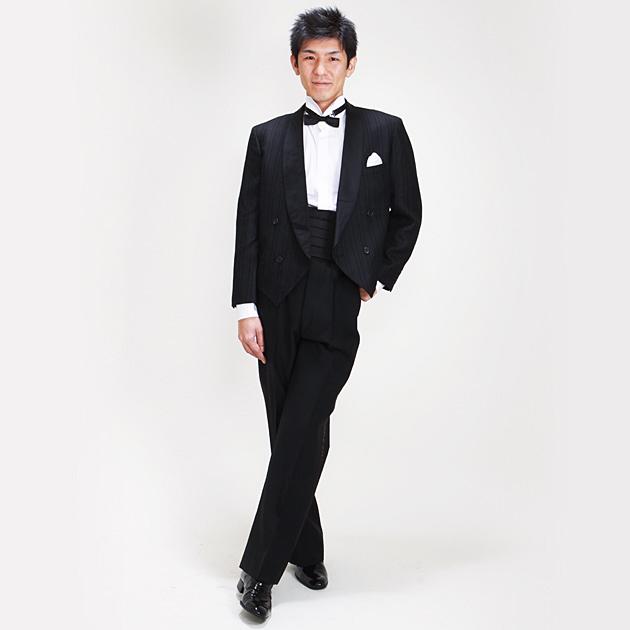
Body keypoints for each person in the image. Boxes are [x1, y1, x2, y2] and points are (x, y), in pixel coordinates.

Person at [231, 6, 422, 620]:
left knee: (303, 423)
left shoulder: (385, 131)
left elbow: (408, 213)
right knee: (290, 429)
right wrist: (246, 306)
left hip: (338, 292)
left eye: (332, 58)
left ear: (351, 64)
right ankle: (306, 547)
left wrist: (375, 276)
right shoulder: (266, 137)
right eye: (309, 58)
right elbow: (247, 226)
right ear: (295, 64)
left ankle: (259, 571)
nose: (321, 69)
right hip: (275, 297)